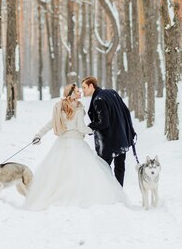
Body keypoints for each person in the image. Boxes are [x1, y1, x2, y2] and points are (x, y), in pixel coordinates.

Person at [24, 83, 128, 211]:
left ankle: (59, 196)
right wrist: (93, 129)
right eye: (77, 91)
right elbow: (81, 128)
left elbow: (52, 123)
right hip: (77, 144)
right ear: (71, 93)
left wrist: (39, 135)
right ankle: (77, 197)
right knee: (81, 173)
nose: (80, 93)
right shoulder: (79, 108)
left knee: (59, 173)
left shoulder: (59, 107)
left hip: (61, 144)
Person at [82, 76, 136, 186]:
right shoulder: (112, 92)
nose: (83, 90)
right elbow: (125, 111)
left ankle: (110, 194)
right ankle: (119, 193)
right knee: (120, 167)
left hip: (109, 142)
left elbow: (103, 122)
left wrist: (90, 127)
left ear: (91, 86)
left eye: (84, 87)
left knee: (104, 169)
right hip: (121, 138)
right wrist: (129, 131)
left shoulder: (98, 100)